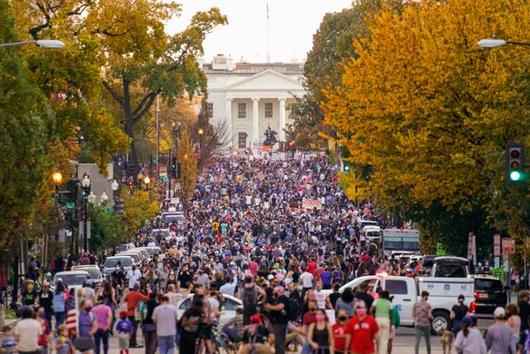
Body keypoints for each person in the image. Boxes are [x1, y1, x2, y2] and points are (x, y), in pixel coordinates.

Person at [264, 285, 290, 354]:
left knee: (279, 342)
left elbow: (280, 307)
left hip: (281, 322)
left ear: (279, 290)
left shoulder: (282, 297)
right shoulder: (277, 299)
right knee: (278, 342)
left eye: (274, 291)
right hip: (277, 322)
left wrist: (271, 307)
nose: (273, 293)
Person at [123, 283, 149, 348]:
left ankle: (131, 343)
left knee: (131, 328)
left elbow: (125, 299)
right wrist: (148, 292)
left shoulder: (129, 293)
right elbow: (146, 298)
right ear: (138, 288)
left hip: (129, 313)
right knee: (134, 329)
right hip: (135, 313)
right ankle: (133, 343)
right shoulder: (137, 294)